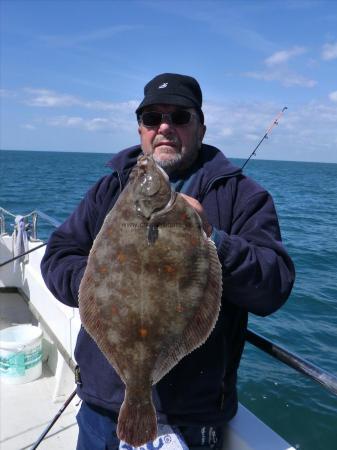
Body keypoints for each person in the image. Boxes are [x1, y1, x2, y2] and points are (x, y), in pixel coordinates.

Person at [41, 73, 295, 450]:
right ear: (140, 128)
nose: (164, 127)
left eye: (179, 117)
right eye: (151, 119)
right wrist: (101, 282)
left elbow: (273, 285)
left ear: (201, 127)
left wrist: (212, 238)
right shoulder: (110, 187)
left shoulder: (242, 196)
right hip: (100, 411)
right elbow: (58, 256)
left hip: (190, 420)